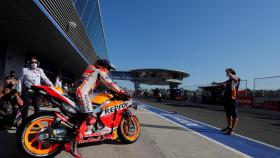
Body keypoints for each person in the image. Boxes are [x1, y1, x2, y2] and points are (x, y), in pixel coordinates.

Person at [70, 59, 129, 157]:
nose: (109, 71)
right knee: (90, 117)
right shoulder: (100, 71)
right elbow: (109, 83)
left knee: (79, 117)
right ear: (104, 66)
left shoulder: (91, 69)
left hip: (74, 92)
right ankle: (73, 146)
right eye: (109, 69)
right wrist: (121, 92)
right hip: (81, 93)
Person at [212, 68, 240, 135]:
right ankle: (229, 127)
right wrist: (215, 83)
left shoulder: (237, 78)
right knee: (228, 114)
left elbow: (235, 79)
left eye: (227, 73)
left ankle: (232, 130)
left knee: (234, 115)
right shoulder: (228, 81)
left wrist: (229, 72)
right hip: (226, 99)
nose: (226, 74)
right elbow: (222, 83)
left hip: (233, 99)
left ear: (231, 72)